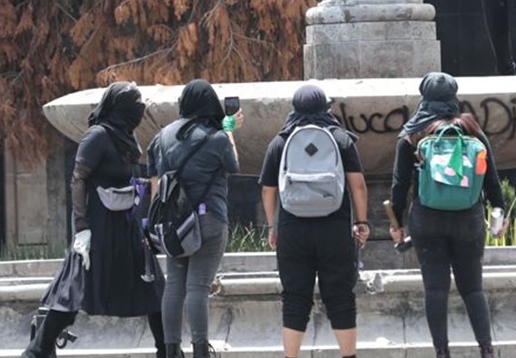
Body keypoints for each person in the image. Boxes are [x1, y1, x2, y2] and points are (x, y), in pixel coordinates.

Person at [23, 81, 167, 358]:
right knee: (75, 288)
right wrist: (82, 229)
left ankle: (167, 350)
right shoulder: (97, 136)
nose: (140, 107)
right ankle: (38, 350)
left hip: (126, 226)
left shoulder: (127, 136)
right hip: (98, 228)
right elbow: (78, 179)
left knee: (151, 286)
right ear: (120, 106)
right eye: (134, 102)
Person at [389, 72, 508, 358]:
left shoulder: (412, 135)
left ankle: (442, 352)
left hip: (426, 221)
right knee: (472, 288)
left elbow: (399, 184)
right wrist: (497, 216)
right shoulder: (472, 130)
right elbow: (492, 180)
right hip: (468, 220)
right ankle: (486, 350)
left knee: (436, 289)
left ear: (424, 96)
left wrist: (397, 224)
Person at [258, 83, 369, 358]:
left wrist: (274, 226)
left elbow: (268, 190)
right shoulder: (342, 139)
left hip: (293, 230)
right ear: (325, 108)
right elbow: (358, 186)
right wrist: (362, 222)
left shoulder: (280, 142)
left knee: (295, 297)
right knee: (341, 295)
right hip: (335, 229)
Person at [147, 79, 242, 358]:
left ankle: (171, 350)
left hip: (173, 225)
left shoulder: (160, 137)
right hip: (209, 219)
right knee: (198, 286)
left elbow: (156, 184)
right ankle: (201, 350)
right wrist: (229, 130)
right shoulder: (216, 137)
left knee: (174, 284)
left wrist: (157, 223)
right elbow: (234, 165)